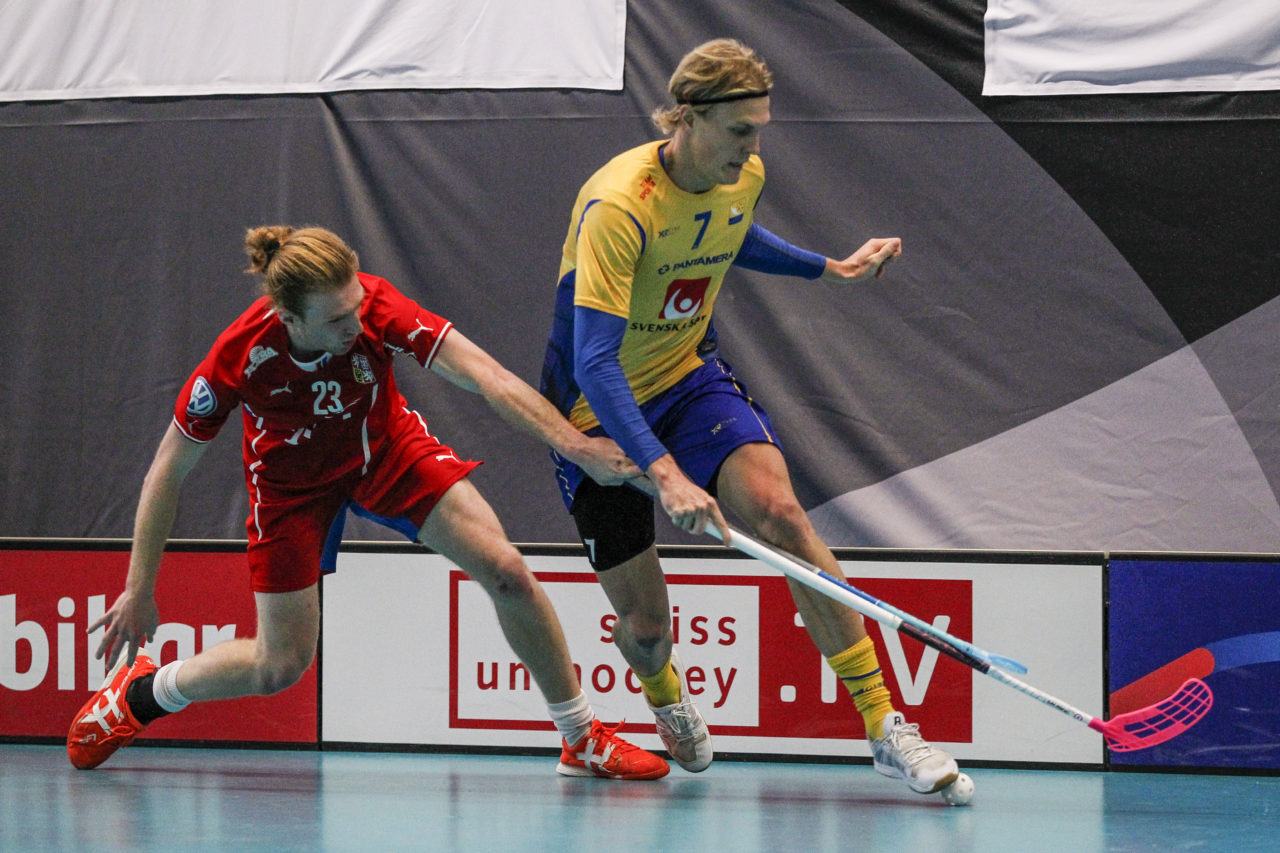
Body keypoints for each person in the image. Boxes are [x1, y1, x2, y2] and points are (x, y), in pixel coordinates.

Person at [67, 225, 669, 781]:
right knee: (280, 667)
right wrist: (140, 588)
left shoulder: (374, 307)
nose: (356, 324)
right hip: (290, 488)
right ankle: (141, 694)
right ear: (287, 317)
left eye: (357, 305)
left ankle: (579, 736)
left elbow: (487, 376)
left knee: (508, 571)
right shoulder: (241, 354)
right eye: (336, 320)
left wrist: (578, 446)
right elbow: (169, 467)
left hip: (385, 451)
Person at [539, 38, 959, 792]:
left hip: (689, 376)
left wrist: (829, 267)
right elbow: (596, 362)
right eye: (740, 130)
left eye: (761, 128)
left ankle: (885, 723)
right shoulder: (619, 206)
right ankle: (665, 695)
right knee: (644, 630)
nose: (754, 146)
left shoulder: (744, 174)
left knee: (782, 514)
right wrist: (664, 473)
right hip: (594, 414)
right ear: (688, 119)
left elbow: (731, 236)